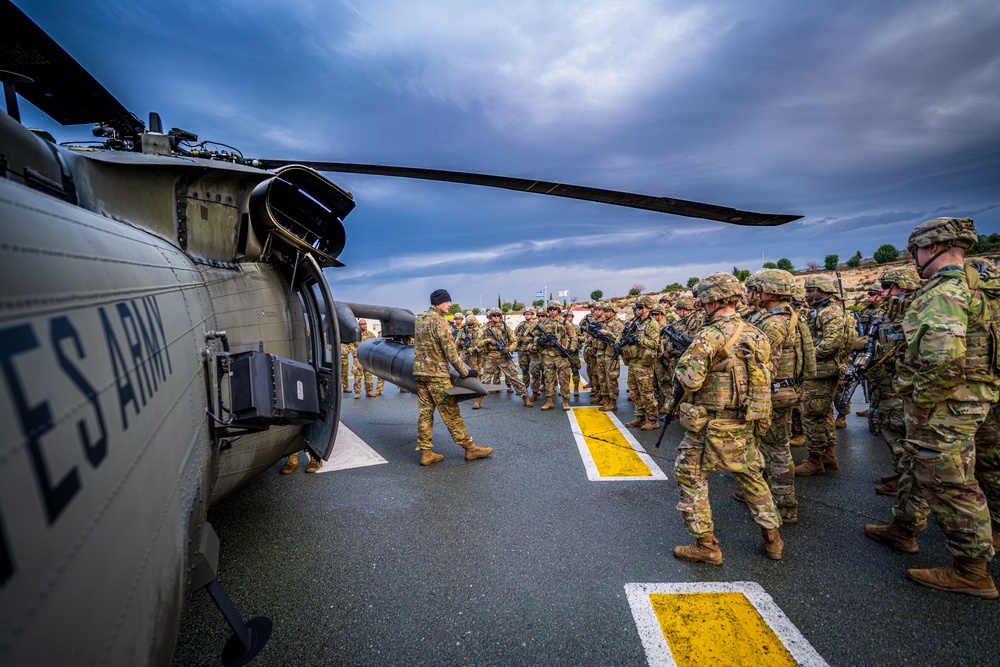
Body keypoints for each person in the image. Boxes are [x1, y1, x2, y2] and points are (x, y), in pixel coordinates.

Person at [865, 217, 998, 598]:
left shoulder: (944, 292)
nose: (914, 259)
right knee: (928, 466)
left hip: (948, 404)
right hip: (980, 396)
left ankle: (972, 569)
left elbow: (942, 362)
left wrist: (921, 404)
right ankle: (904, 528)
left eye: (916, 251)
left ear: (932, 247)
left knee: (951, 481)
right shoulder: (984, 286)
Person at [670, 272, 783, 564]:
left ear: (712, 299)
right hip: (745, 421)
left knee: (689, 475)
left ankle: (706, 547)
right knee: (752, 477)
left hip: (709, 425)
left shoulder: (710, 335)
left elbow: (689, 379)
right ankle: (773, 541)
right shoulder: (756, 333)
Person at [742, 269, 816, 523]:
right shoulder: (788, 317)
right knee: (772, 446)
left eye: (758, 289)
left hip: (774, 392)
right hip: (785, 389)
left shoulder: (773, 324)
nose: (754, 294)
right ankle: (765, 493)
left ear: (771, 292)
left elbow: (765, 365)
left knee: (776, 448)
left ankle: (784, 505)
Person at [413, 289, 493, 466]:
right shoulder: (440, 322)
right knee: (451, 413)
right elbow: (450, 352)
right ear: (439, 302)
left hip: (420, 373)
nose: (450, 304)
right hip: (437, 374)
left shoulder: (419, 319)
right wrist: (465, 372)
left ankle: (426, 452)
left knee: (425, 413)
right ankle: (470, 448)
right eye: (448, 301)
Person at [866, 266, 922, 496]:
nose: (881, 291)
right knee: (889, 424)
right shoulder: (893, 312)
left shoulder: (912, 311)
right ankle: (900, 473)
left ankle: (906, 481)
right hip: (888, 377)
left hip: (901, 379)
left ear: (902, 287)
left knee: (897, 427)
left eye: (886, 287)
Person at [794, 274, 850, 476]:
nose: (806, 295)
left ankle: (815, 460)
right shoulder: (818, 311)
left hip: (821, 371)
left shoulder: (830, 312)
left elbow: (831, 344)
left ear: (823, 291)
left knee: (811, 415)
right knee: (823, 414)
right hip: (819, 370)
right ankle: (827, 456)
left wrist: (806, 357)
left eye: (810, 291)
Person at [621, 298, 661, 431]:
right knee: (634, 391)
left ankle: (653, 419)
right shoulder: (634, 322)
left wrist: (639, 340)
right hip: (633, 361)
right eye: (636, 308)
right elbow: (622, 334)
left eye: (640, 307)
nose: (637, 310)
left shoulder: (652, 324)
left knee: (646, 393)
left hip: (644, 364)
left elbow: (654, 344)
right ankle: (640, 417)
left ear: (647, 308)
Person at [480, 308, 531, 408]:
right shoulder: (484, 329)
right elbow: (478, 342)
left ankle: (525, 398)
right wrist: (488, 341)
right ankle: (478, 400)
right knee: (485, 380)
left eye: (498, 315)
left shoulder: (505, 328)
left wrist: (508, 349)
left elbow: (514, 341)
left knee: (514, 377)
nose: (496, 317)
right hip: (491, 357)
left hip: (504, 356)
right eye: (494, 315)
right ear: (490, 317)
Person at [534, 300, 573, 411]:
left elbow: (573, 338)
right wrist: (540, 340)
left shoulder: (565, 323)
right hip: (548, 356)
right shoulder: (544, 324)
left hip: (561, 355)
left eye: (554, 309)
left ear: (558, 310)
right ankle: (549, 401)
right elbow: (535, 336)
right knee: (548, 379)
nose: (552, 311)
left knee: (564, 379)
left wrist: (571, 349)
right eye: (550, 309)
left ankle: (565, 401)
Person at [597, 302, 624, 412]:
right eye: (605, 311)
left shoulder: (617, 323)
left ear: (613, 312)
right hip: (603, 353)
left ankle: (613, 402)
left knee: (611, 379)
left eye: (607, 311)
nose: (605, 313)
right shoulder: (605, 323)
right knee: (602, 378)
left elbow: (619, 338)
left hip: (611, 355)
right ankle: (606, 398)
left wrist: (607, 333)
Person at [351, 319, 383, 398]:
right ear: (359, 325)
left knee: (368, 375)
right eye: (362, 324)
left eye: (365, 324)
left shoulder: (371, 335)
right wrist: (355, 352)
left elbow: (376, 344)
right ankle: (357, 392)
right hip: (358, 358)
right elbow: (350, 344)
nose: (364, 325)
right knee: (358, 376)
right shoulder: (356, 334)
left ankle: (368, 391)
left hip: (367, 358)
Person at [515, 309, 536, 385]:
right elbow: (515, 336)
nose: (527, 315)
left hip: (533, 349)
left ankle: (536, 388)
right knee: (524, 369)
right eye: (526, 314)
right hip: (522, 350)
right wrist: (521, 338)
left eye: (529, 314)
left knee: (535, 370)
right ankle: (525, 386)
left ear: (532, 315)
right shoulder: (520, 325)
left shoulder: (536, 325)